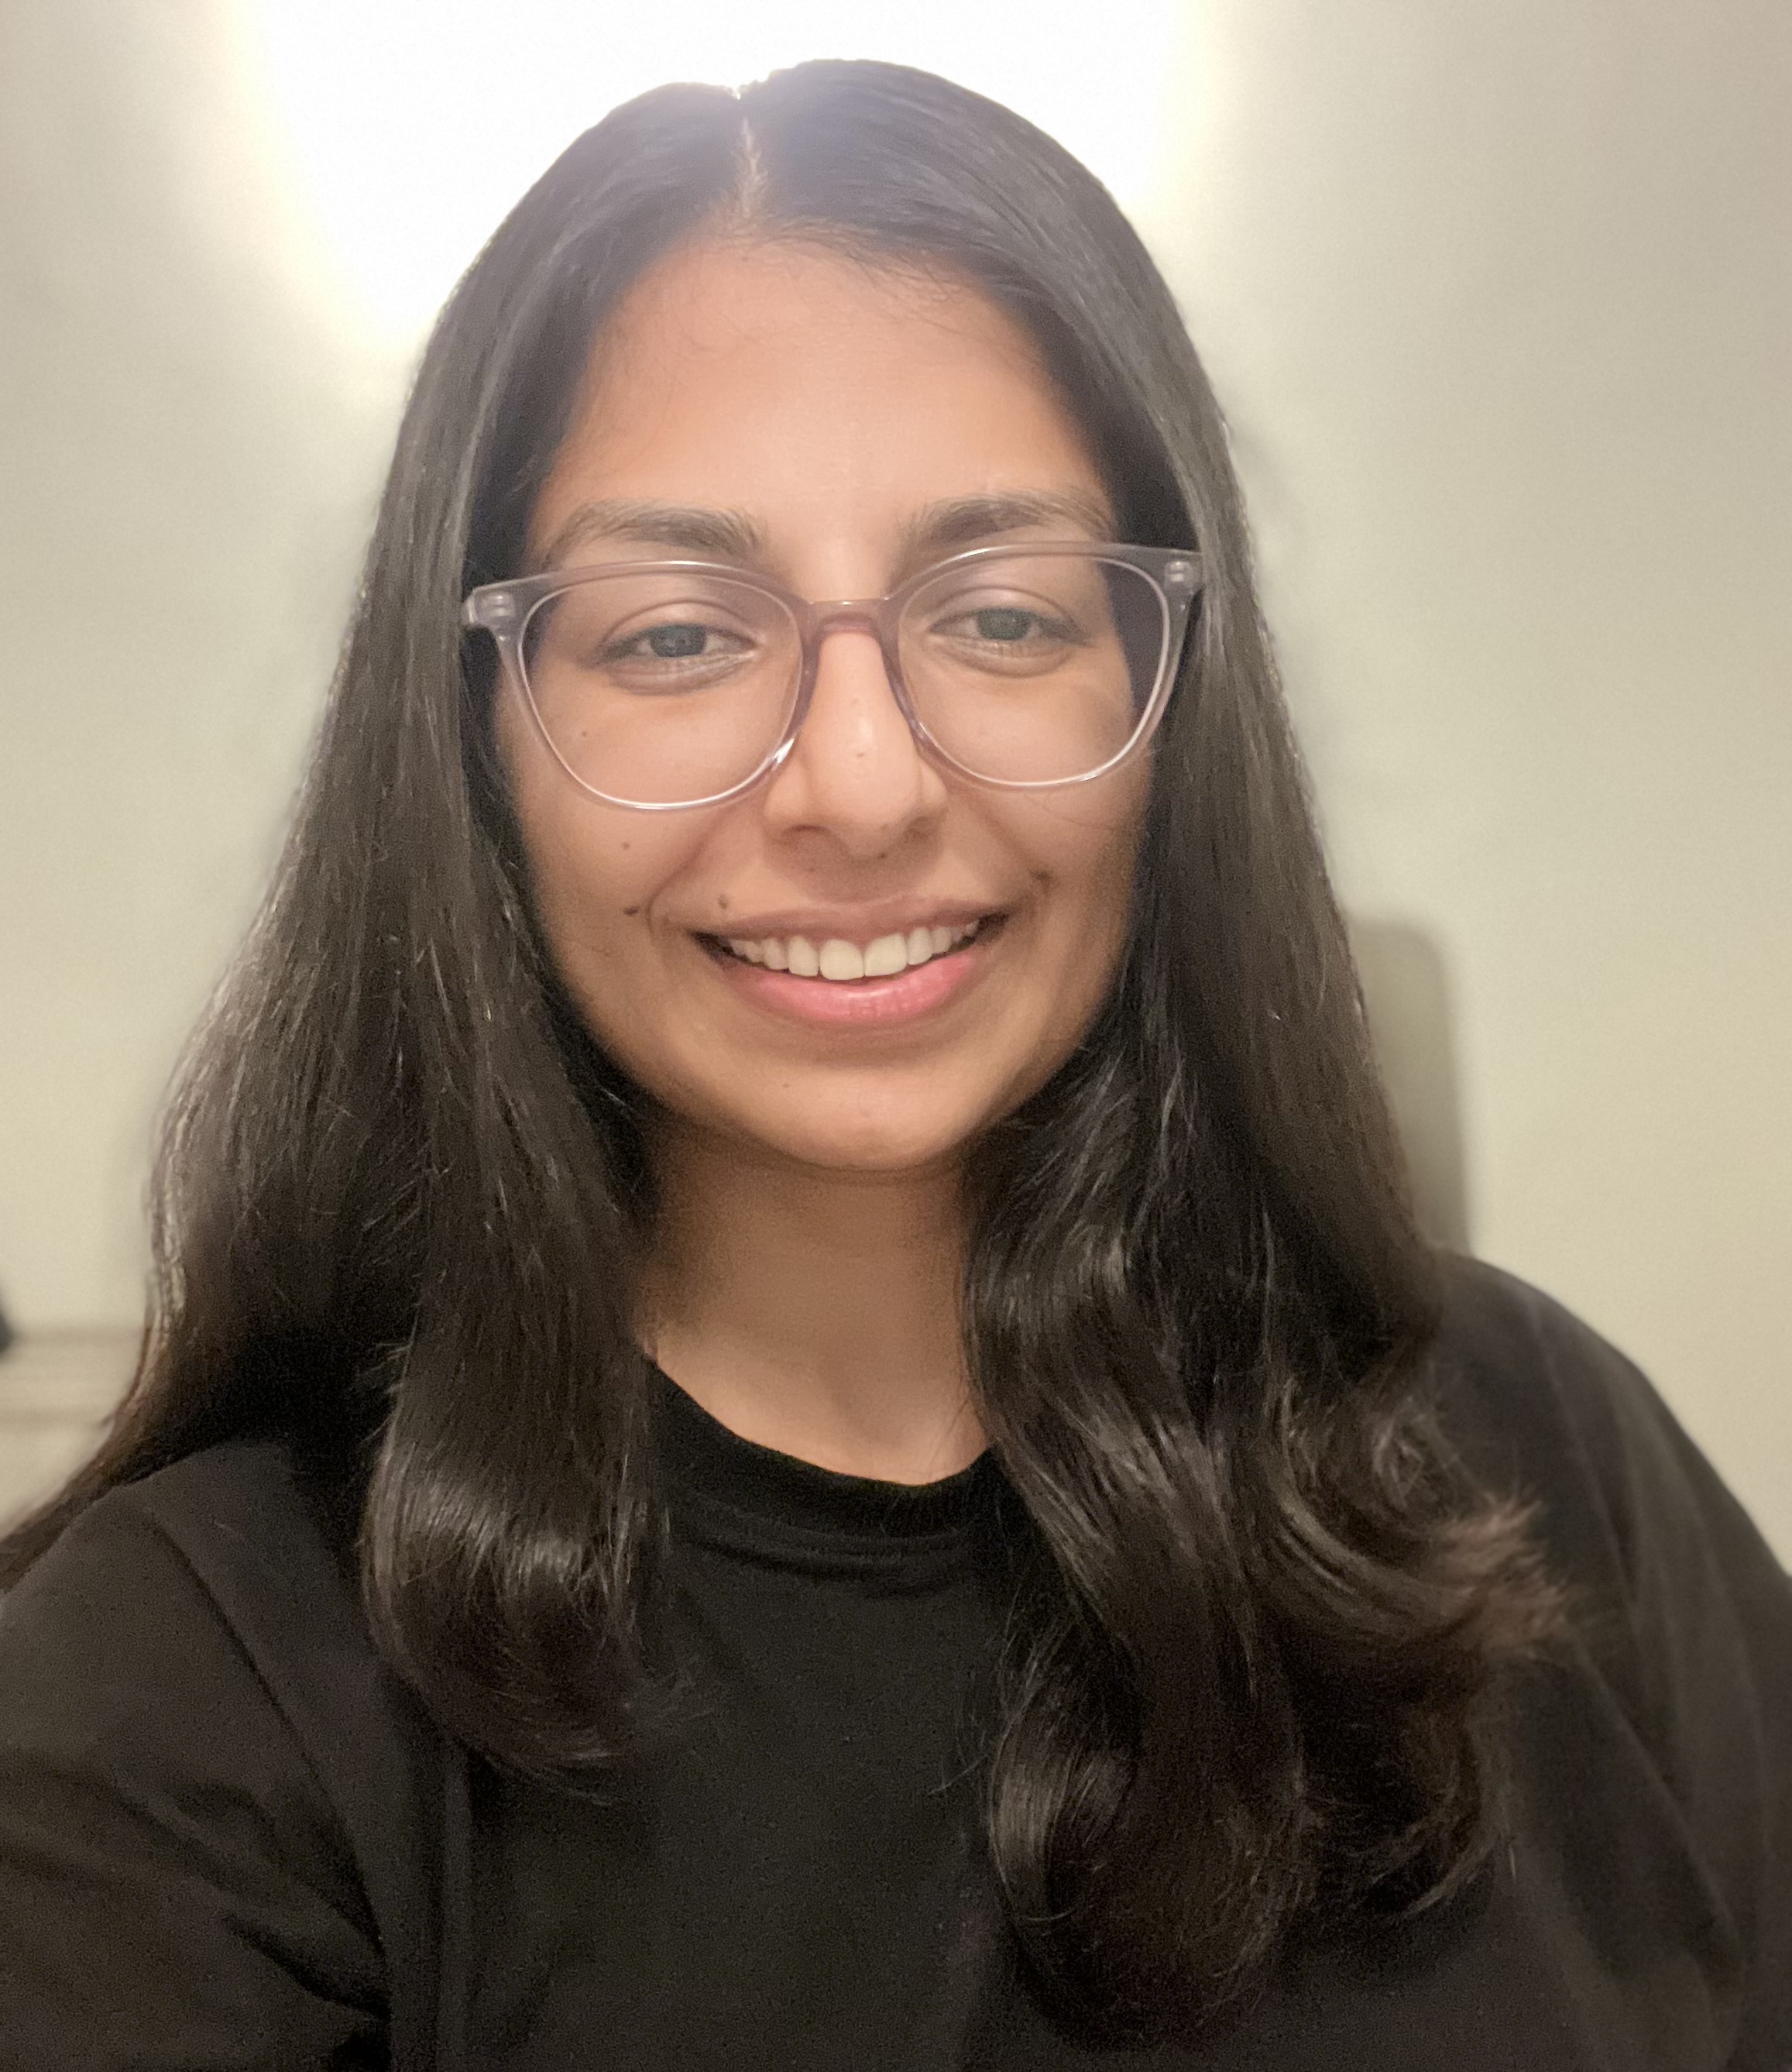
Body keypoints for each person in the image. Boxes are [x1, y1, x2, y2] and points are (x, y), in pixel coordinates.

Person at [0, 59, 1787, 2072]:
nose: (860, 784)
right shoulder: (186, 1696)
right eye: (676, 636)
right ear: (476, 740)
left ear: (1165, 701)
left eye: (1004, 615)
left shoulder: (1535, 1453)